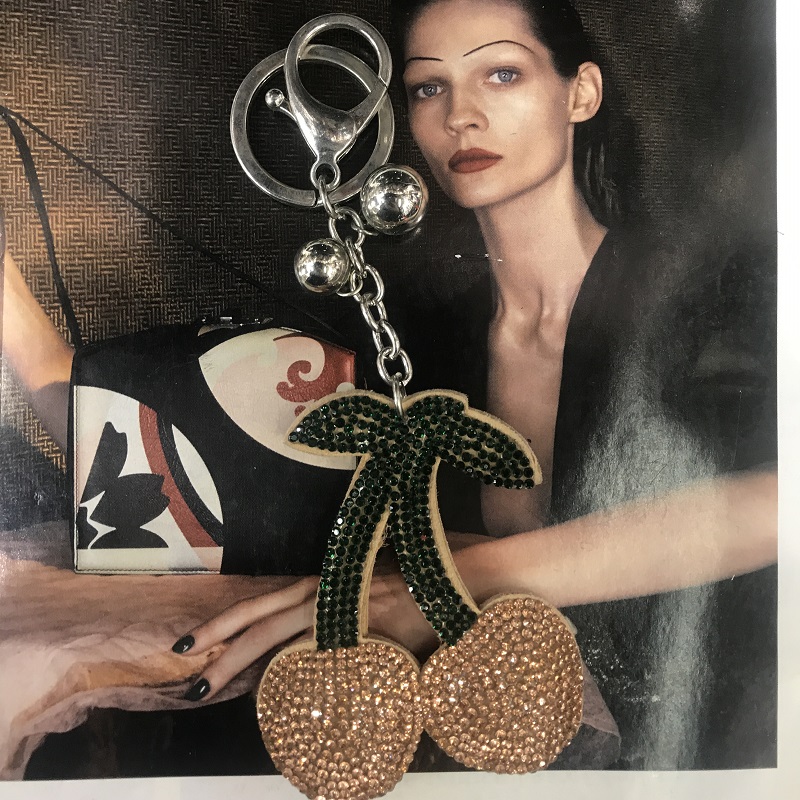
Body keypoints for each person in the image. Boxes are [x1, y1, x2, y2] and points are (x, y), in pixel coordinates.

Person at [1, 0, 776, 770]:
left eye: (502, 74)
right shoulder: (405, 334)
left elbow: (779, 499)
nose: (460, 116)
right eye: (429, 88)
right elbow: (148, 463)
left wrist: (444, 585)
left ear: (581, 92)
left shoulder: (705, 291)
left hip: (709, 743)